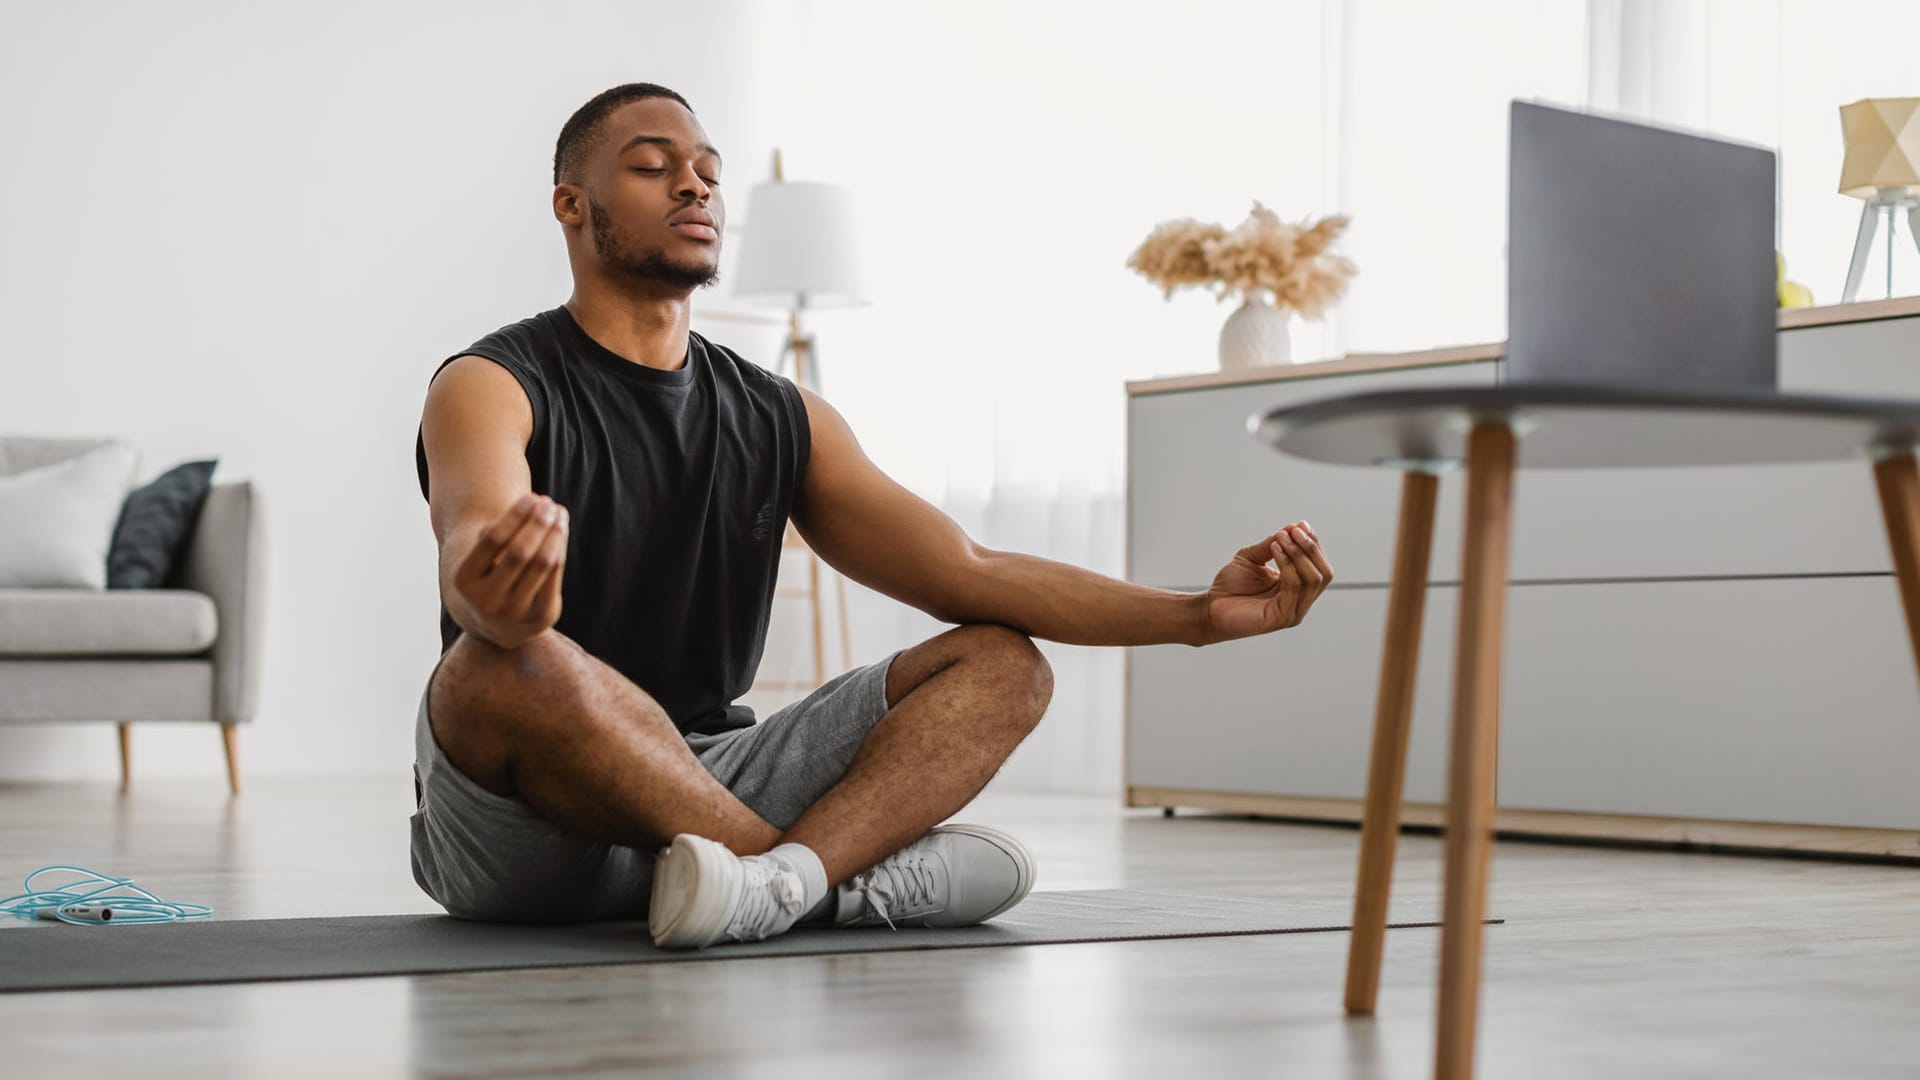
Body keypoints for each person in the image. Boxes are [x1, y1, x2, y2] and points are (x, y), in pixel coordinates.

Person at [409, 82, 1335, 950]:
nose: (694, 183)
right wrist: (503, 605)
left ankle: (761, 884)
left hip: (711, 774)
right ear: (572, 205)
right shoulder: (491, 383)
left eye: (708, 171)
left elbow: (970, 572)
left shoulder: (781, 412)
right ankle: (815, 882)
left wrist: (1199, 617)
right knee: (496, 667)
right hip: (528, 831)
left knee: (1003, 662)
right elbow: (475, 542)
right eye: (654, 166)